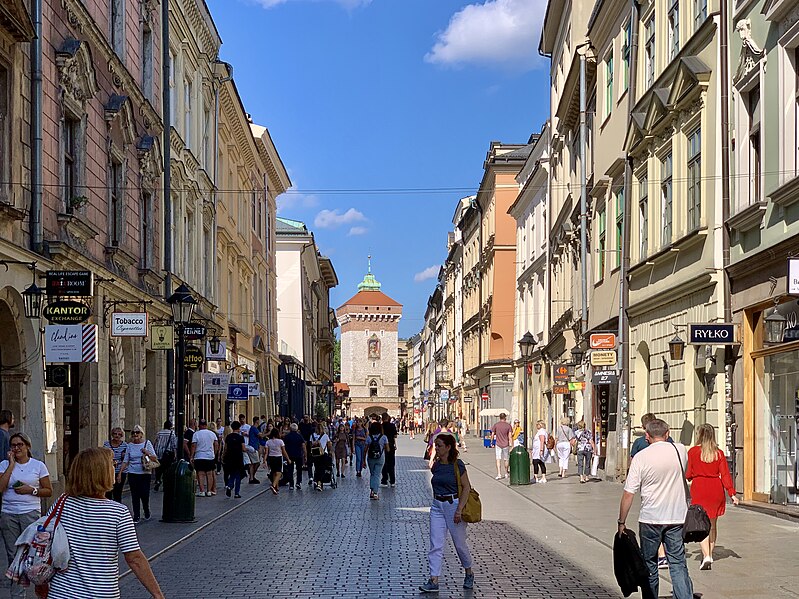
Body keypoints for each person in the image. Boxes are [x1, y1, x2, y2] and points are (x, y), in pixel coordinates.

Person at [43, 447, 164, 599]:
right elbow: (135, 558)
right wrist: (157, 594)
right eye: (112, 464)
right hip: (99, 593)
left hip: (61, 593)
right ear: (102, 473)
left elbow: (45, 542)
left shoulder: (61, 503)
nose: (115, 467)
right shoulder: (118, 513)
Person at [617, 419, 694, 599]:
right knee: (677, 563)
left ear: (647, 436)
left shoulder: (641, 457)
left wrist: (621, 521)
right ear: (667, 433)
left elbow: (629, 493)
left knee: (650, 563)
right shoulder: (680, 450)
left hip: (650, 518)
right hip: (676, 517)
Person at [419, 433, 474, 593]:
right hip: (437, 505)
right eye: (436, 445)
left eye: (439, 445)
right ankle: (433, 580)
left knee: (459, 544)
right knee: (436, 544)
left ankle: (469, 572)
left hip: (453, 505)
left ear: (449, 447)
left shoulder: (458, 465)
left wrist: (459, 509)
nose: (436, 448)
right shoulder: (436, 465)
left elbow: (466, 487)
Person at [0, 432, 52, 597]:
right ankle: (17, 594)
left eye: (20, 445)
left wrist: (31, 490)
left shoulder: (38, 466)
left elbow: (48, 491)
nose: (16, 448)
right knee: (13, 555)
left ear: (28, 446)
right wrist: (11, 465)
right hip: (9, 514)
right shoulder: (4, 464)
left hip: (30, 514)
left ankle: (40, 587)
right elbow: (1, 488)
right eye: (13, 445)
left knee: (32, 556)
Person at [686, 423, 738, 570]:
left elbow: (689, 473)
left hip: (700, 488)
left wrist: (690, 476)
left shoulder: (693, 452)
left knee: (701, 525)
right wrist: (732, 494)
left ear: (699, 435)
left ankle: (706, 555)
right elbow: (725, 475)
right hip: (715, 489)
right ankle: (709, 554)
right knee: (712, 525)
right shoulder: (719, 453)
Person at [119, 425, 157, 523]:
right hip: (132, 473)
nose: (135, 434)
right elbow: (126, 461)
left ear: (141, 434)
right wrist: (120, 473)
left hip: (145, 473)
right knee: (134, 495)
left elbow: (154, 458)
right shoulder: (129, 446)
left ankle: (146, 510)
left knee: (144, 494)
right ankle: (136, 515)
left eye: (137, 432)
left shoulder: (147, 443)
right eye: (133, 433)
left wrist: (147, 453)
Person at [190, 419, 219, 497]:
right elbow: (216, 444)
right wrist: (214, 453)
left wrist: (192, 456)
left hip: (199, 456)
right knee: (209, 474)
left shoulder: (196, 434)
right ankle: (209, 491)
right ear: (206, 425)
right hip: (209, 456)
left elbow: (193, 445)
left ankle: (202, 491)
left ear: (199, 425)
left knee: (200, 474)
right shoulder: (212, 434)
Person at [102, 427, 127, 502]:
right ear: (112, 435)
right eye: (115, 434)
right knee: (108, 492)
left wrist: (119, 474)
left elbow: (126, 460)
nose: (117, 436)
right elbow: (103, 456)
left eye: (119, 434)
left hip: (120, 471)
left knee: (118, 493)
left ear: (121, 435)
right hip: (109, 471)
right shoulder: (106, 444)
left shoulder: (125, 445)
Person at [223, 421, 247, 498]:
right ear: (239, 428)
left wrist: (223, 456)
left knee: (232, 474)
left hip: (230, 458)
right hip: (238, 458)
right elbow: (243, 448)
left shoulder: (228, 437)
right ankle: (236, 493)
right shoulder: (240, 437)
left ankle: (229, 486)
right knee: (238, 476)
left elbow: (225, 448)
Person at [366, 421, 389, 500]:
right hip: (380, 457)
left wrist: (362, 460)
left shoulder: (369, 437)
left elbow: (365, 449)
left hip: (370, 458)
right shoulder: (384, 437)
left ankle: (372, 491)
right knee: (377, 474)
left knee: (372, 474)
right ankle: (375, 492)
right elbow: (388, 449)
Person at [265, 428, 290, 495]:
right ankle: (273, 485)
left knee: (273, 472)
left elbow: (266, 452)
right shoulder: (280, 441)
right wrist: (288, 459)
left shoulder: (268, 442)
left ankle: (276, 487)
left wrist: (264, 460)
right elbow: (284, 451)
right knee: (279, 473)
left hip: (271, 458)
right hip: (278, 457)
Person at [152, 420, 176, 492]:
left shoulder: (159, 433)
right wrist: (175, 454)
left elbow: (155, 442)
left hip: (158, 452)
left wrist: (154, 451)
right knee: (166, 469)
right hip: (167, 454)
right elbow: (173, 444)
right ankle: (165, 484)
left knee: (159, 467)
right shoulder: (172, 434)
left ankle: (158, 479)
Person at [283, 423, 306, 489]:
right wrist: (305, 455)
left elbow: (283, 446)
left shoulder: (287, 437)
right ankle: (298, 482)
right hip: (298, 455)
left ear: (290, 429)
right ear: (297, 429)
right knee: (299, 469)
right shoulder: (300, 436)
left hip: (289, 455)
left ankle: (291, 484)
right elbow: (303, 446)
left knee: (290, 470)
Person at [490, 413, 513, 480]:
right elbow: (510, 436)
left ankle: (499, 474)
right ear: (505, 417)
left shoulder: (496, 425)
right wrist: (511, 444)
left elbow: (493, 434)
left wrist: (491, 441)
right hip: (506, 444)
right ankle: (506, 472)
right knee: (506, 459)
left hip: (498, 444)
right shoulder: (508, 426)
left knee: (498, 458)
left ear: (499, 418)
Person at [310, 422, 332, 492]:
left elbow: (310, 445)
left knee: (317, 467)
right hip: (323, 454)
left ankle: (317, 480)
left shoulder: (312, 435)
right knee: (322, 468)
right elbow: (329, 445)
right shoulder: (325, 436)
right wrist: (330, 452)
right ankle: (319, 482)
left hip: (315, 454)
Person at [381, 413, 398, 487]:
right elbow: (395, 435)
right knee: (391, 463)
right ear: (388, 418)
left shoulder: (381, 426)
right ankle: (392, 481)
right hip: (391, 445)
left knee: (384, 463)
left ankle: (384, 480)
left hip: (383, 446)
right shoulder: (392, 425)